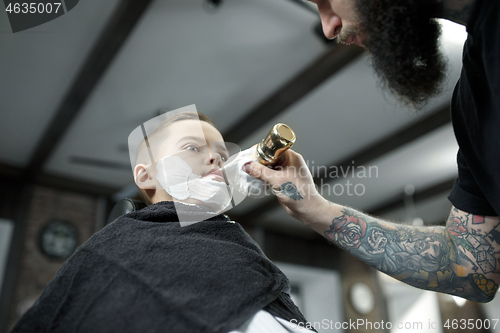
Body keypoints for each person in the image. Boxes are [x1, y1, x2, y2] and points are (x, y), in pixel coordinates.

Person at [243, 0, 500, 302]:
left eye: (325, 1)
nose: (328, 28)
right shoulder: (474, 95)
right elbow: (469, 268)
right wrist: (316, 209)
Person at [10, 109, 313, 333]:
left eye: (222, 155)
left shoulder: (238, 243)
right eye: (192, 147)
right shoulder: (108, 252)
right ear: (145, 175)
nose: (215, 160)